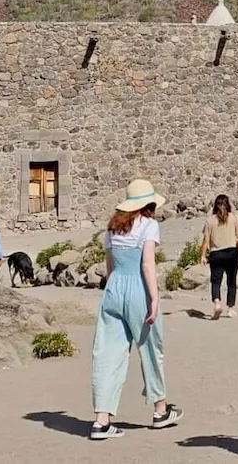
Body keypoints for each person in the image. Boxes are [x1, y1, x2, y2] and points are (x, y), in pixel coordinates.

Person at [90, 179, 183, 440]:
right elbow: (147, 265)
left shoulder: (112, 228)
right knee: (151, 349)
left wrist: (112, 290)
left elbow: (109, 265)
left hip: (114, 288)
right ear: (149, 204)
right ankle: (160, 410)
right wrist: (154, 298)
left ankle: (102, 420)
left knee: (107, 353)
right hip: (137, 289)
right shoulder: (148, 225)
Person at [200, 194, 238, 319]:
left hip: (216, 254)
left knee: (216, 281)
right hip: (232, 252)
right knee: (231, 281)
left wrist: (203, 255)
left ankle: (217, 303)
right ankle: (230, 308)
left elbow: (206, 240)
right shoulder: (234, 217)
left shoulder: (210, 220)